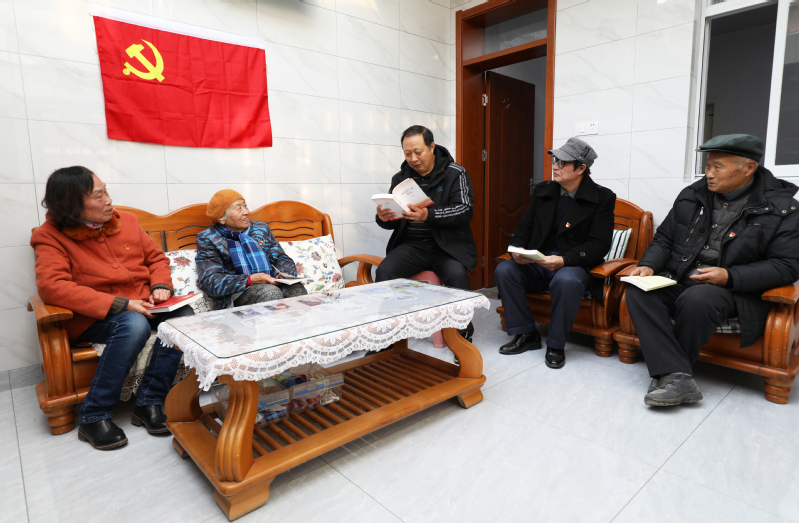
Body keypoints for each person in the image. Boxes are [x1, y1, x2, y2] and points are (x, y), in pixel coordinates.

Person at [625, 134, 799, 406]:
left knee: (697, 298)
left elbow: (786, 266)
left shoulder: (783, 209)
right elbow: (665, 239)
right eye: (707, 166)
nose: (708, 173)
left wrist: (729, 276)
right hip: (680, 277)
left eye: (718, 167)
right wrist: (648, 265)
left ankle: (670, 373)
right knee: (637, 292)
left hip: (733, 290)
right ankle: (677, 376)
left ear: (748, 168)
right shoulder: (692, 195)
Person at [31, 166, 194, 451]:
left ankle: (149, 401)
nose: (109, 200)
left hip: (146, 304)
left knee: (185, 317)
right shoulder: (50, 236)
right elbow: (52, 286)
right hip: (95, 316)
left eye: (106, 191)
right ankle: (94, 415)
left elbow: (157, 259)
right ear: (71, 204)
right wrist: (121, 304)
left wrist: (161, 286)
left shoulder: (127, 221)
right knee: (133, 324)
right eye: (98, 196)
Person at [494, 137, 616, 369]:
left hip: (572, 264)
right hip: (539, 261)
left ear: (581, 168)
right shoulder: (544, 191)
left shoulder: (601, 198)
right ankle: (526, 334)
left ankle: (556, 344)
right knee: (505, 270)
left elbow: (599, 244)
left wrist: (564, 260)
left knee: (567, 280)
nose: (555, 166)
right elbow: (524, 226)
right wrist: (518, 247)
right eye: (554, 161)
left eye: (562, 162)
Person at [375, 125, 478, 340]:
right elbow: (394, 220)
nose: (413, 158)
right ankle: (388, 336)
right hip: (412, 247)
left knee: (457, 276)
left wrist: (428, 215)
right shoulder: (400, 178)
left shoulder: (455, 173)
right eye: (407, 153)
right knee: (385, 272)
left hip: (447, 247)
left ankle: (462, 334)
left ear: (431, 147)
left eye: (418, 152)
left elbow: (465, 209)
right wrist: (383, 218)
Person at [196, 189, 307, 310]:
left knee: (296, 288)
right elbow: (210, 281)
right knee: (269, 292)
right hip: (236, 293)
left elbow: (282, 258)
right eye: (239, 208)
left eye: (245, 206)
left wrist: (282, 274)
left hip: (271, 281)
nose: (246, 212)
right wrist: (250, 280)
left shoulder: (261, 229)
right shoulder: (209, 238)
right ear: (222, 219)